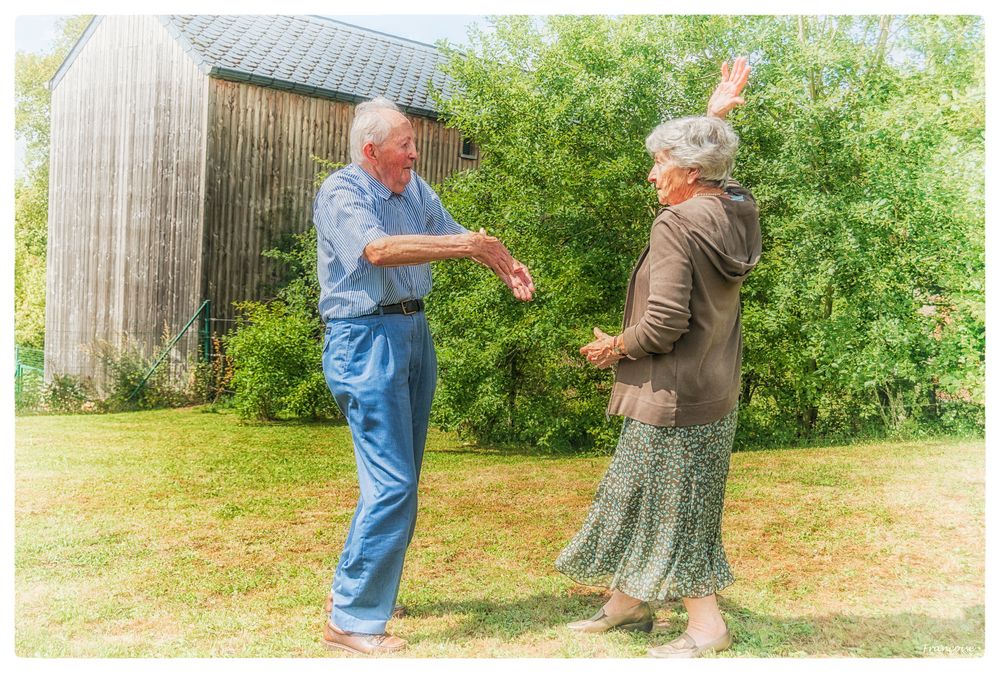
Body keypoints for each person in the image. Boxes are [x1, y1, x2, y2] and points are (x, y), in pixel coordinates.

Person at [314, 97, 534, 655]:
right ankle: (352, 620)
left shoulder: (414, 191)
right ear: (372, 151)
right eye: (405, 144)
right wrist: (469, 245)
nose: (415, 152)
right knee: (392, 483)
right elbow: (378, 250)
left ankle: (365, 591)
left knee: (398, 479)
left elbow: (459, 233)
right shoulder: (343, 191)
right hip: (364, 340)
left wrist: (504, 262)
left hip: (412, 335)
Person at [555, 58, 759, 659]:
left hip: (672, 395)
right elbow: (720, 165)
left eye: (661, 164)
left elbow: (665, 321)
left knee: (680, 510)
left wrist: (613, 346)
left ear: (690, 173)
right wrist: (712, 116)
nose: (651, 176)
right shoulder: (735, 209)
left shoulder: (676, 223)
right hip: (709, 387)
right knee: (639, 491)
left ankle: (706, 628)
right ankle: (631, 600)